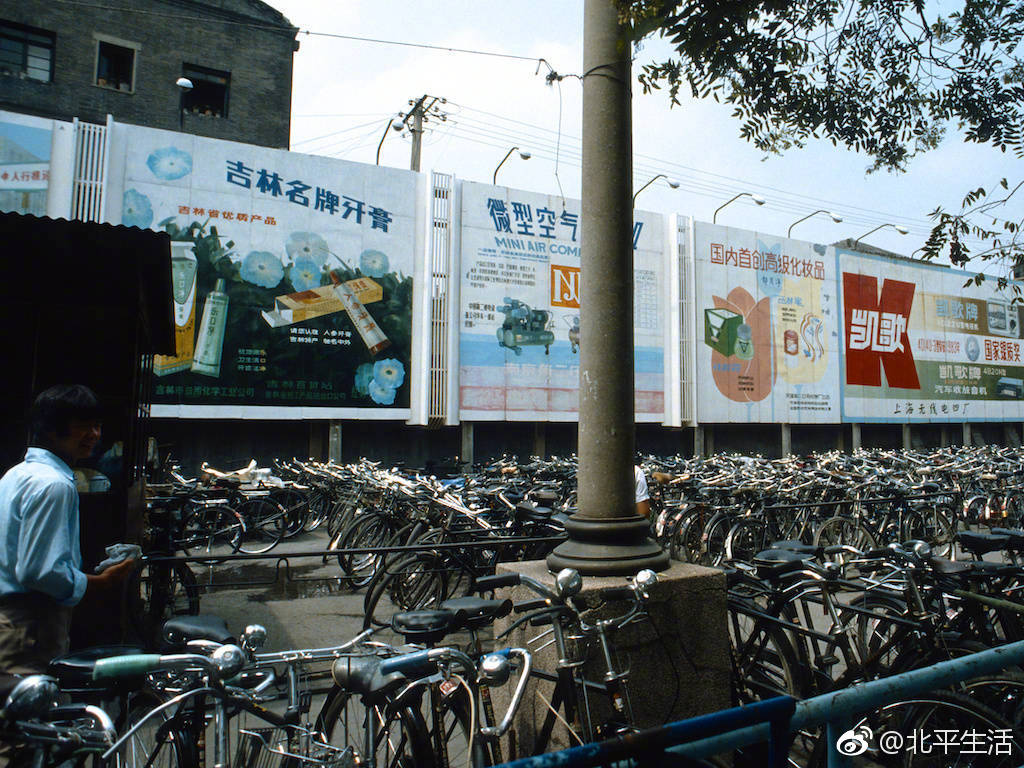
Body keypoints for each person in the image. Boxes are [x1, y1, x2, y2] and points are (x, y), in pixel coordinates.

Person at [0, 385, 135, 675]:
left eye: (97, 426)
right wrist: (100, 583)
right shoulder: (54, 484)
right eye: (84, 426)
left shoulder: (18, 474)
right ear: (51, 428)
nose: (94, 435)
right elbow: (39, 571)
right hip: (28, 626)